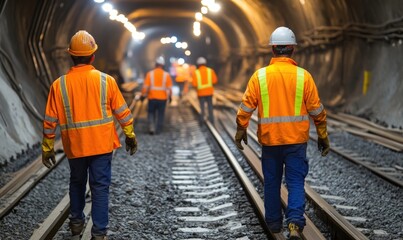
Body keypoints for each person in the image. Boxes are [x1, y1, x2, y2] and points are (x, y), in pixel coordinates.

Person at [234, 26, 330, 240]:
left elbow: (246, 108)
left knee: (272, 181)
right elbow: (316, 110)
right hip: (296, 140)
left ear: (273, 50)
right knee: (295, 182)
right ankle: (295, 224)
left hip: (270, 140)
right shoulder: (304, 76)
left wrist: (241, 129)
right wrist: (322, 134)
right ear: (293, 50)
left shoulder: (259, 77)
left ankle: (274, 224)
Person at [41, 30, 138, 240]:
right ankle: (99, 233)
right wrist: (129, 135)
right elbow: (123, 112)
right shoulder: (106, 81)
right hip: (101, 145)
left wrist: (47, 148)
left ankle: (76, 223)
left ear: (70, 56)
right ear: (93, 56)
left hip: (75, 146)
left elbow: (50, 122)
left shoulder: (59, 85)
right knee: (100, 187)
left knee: (76, 183)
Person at [140, 56, 173, 134]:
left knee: (151, 113)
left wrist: (142, 95)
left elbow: (145, 87)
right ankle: (159, 130)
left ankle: (151, 127)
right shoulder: (166, 75)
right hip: (162, 99)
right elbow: (169, 88)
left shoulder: (150, 74)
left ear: (156, 64)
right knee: (161, 114)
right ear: (163, 65)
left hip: (152, 98)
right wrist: (170, 97)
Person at [191, 57, 218, 124]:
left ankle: (201, 120)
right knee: (210, 106)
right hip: (209, 92)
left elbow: (194, 84)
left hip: (200, 93)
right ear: (205, 63)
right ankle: (211, 120)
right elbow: (215, 81)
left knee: (202, 107)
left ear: (198, 64)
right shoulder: (210, 71)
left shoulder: (196, 72)